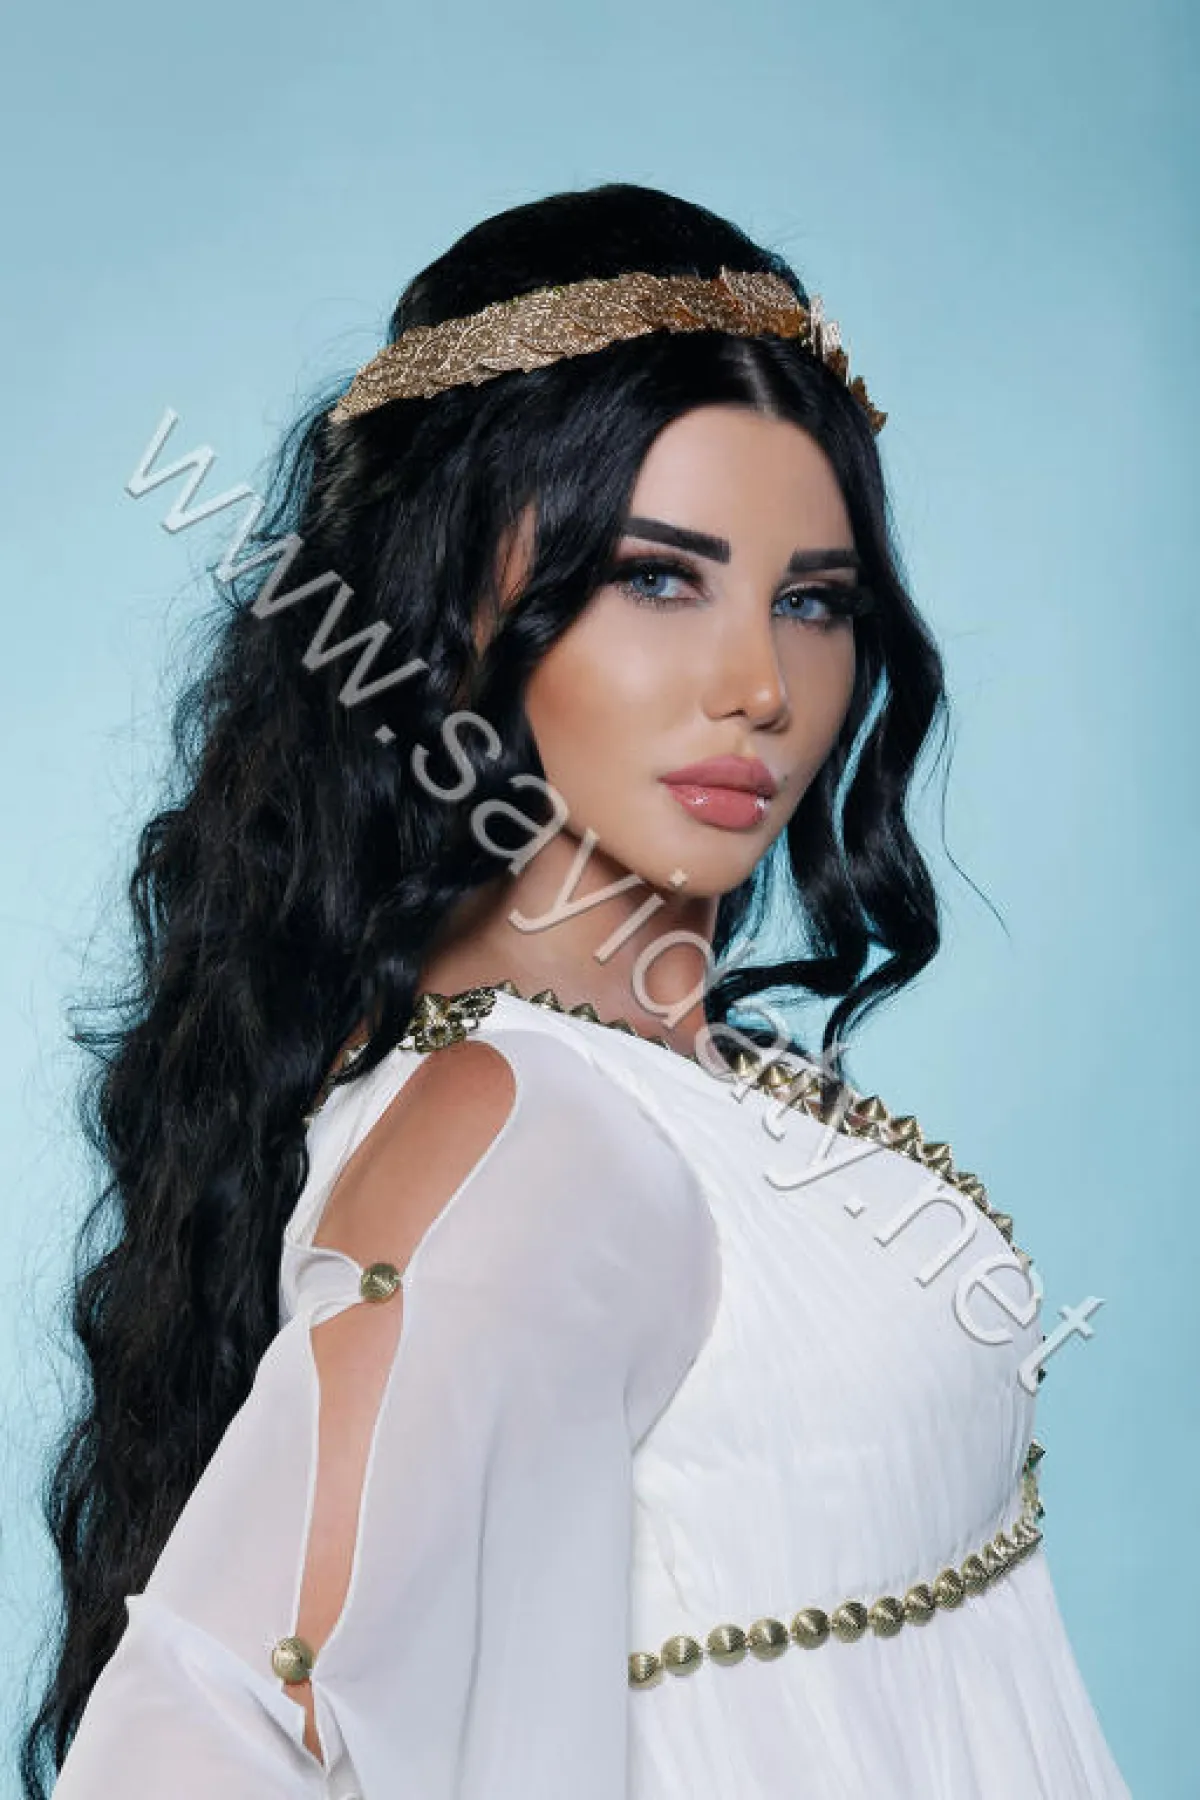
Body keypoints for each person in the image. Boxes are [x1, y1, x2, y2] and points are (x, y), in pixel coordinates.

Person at [24, 182, 1130, 1799]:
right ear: (452, 599)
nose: (761, 685)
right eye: (658, 579)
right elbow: (200, 1728)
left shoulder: (657, 1083)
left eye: (813, 601)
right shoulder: (533, 1131)